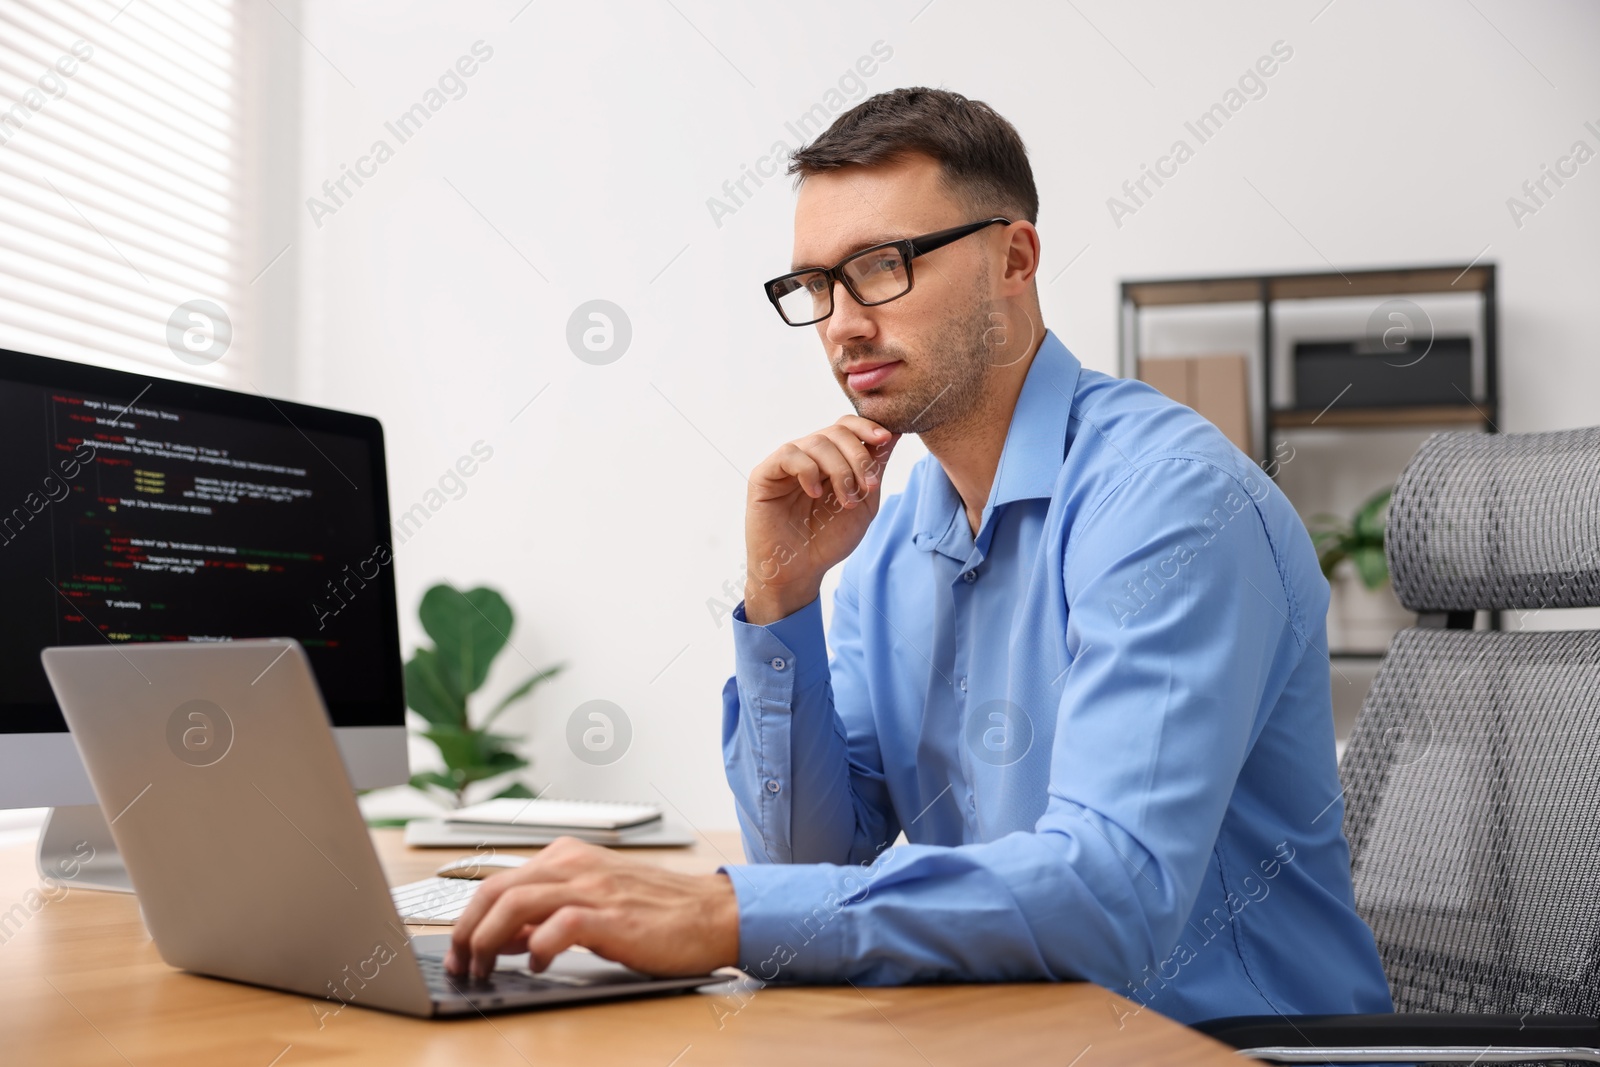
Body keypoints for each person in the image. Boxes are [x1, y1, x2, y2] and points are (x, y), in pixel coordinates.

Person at [447, 87, 1392, 1024]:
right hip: (1017, 1033)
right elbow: (813, 867)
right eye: (816, 284)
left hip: (1228, 1045)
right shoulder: (895, 538)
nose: (842, 323)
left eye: (882, 266)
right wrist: (784, 601)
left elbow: (1114, 898)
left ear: (1014, 257)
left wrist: (721, 910)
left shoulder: (1171, 503)